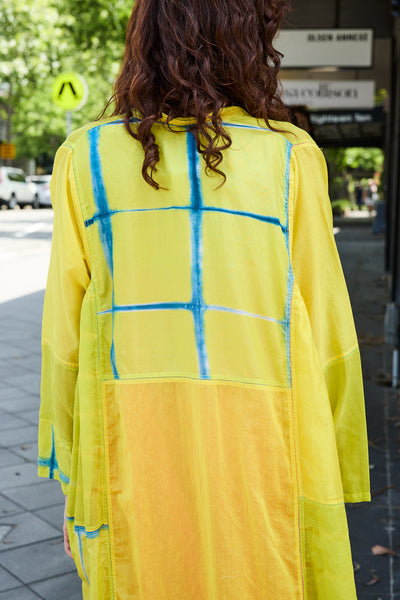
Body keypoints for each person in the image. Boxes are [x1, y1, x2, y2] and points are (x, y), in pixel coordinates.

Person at [38, 1, 370, 598]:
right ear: (247, 38)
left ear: (144, 38)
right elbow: (329, 330)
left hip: (130, 452)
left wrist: (72, 479)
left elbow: (64, 340)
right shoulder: (291, 158)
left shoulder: (82, 160)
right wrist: (340, 464)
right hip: (266, 452)